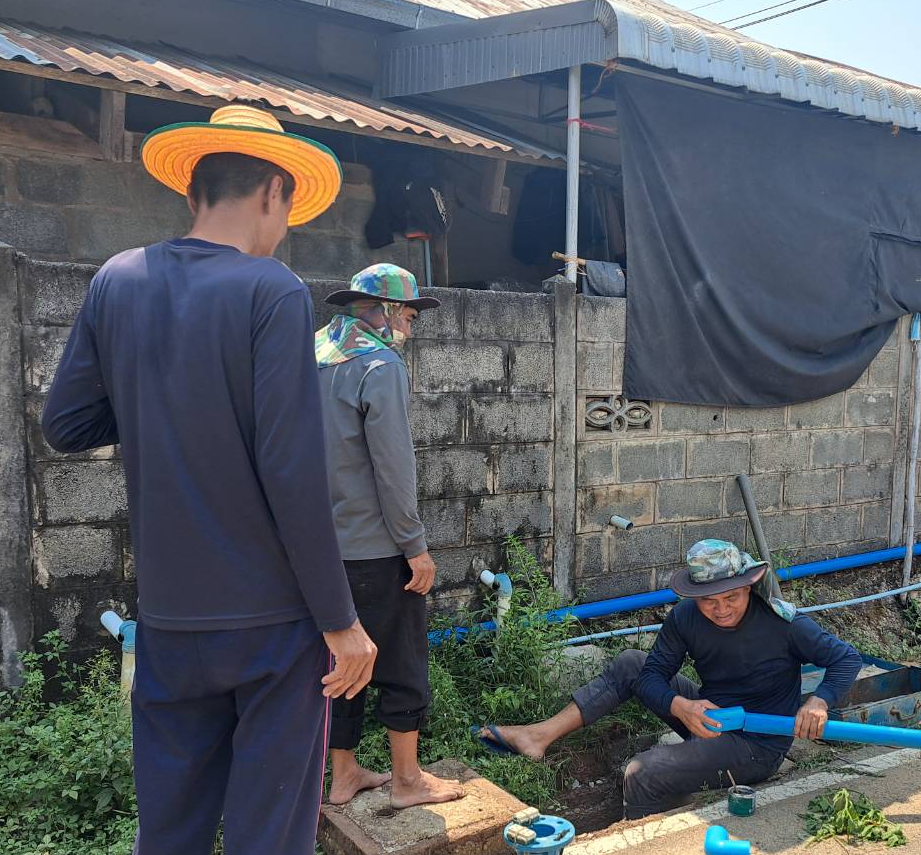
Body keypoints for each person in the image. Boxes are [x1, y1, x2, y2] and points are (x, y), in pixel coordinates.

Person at [43, 104, 369, 855]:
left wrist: (165, 405)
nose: (284, 227)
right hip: (272, 626)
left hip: (171, 622)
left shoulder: (118, 279)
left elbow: (66, 424)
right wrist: (341, 621)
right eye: (288, 209)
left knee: (170, 831)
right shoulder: (272, 291)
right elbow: (291, 471)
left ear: (196, 187)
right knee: (267, 840)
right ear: (272, 191)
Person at [478, 540, 863, 818]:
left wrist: (819, 700)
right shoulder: (686, 618)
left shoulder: (784, 625)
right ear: (695, 596)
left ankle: (640, 851)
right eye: (709, 600)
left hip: (755, 744)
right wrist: (681, 706)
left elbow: (846, 658)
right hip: (709, 718)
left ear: (747, 587)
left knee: (643, 772)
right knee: (631, 663)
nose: (721, 609)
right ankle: (538, 737)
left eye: (731, 598)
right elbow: (650, 678)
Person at [315, 263, 464, 809]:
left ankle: (344, 775)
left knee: (343, 661)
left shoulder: (310, 357)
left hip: (316, 548)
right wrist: (415, 547)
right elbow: (394, 468)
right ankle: (407, 780)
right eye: (410, 315)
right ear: (387, 311)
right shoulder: (380, 365)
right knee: (400, 658)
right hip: (374, 548)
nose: (411, 326)